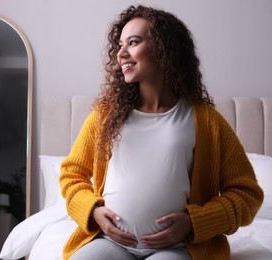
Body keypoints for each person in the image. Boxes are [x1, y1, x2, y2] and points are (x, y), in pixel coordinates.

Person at [59, 4, 264, 260]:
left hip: (177, 248)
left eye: (132, 42)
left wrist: (194, 222)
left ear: (164, 48)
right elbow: (72, 174)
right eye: (120, 45)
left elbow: (247, 194)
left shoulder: (207, 122)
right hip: (110, 243)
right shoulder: (105, 117)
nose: (121, 54)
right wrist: (93, 212)